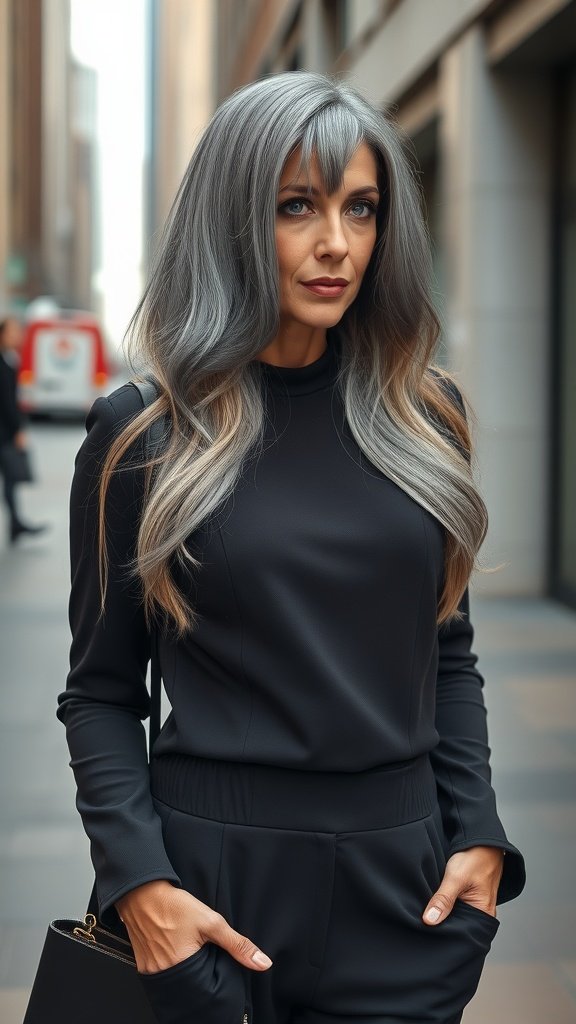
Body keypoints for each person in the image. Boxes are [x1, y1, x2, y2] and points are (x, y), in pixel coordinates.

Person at [57, 71, 526, 1024]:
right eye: (296, 207)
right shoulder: (144, 433)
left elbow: (445, 650)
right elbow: (101, 691)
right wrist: (138, 881)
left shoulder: (426, 415)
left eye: (362, 209)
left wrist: (478, 836)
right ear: (232, 220)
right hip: (215, 890)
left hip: (408, 891)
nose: (337, 245)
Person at [0, 317, 46, 544]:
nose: (17, 334)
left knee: (10, 479)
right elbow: (7, 401)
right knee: (9, 477)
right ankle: (16, 524)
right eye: (13, 331)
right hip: (5, 431)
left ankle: (16, 524)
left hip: (6, 430)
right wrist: (18, 428)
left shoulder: (11, 358)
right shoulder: (4, 361)